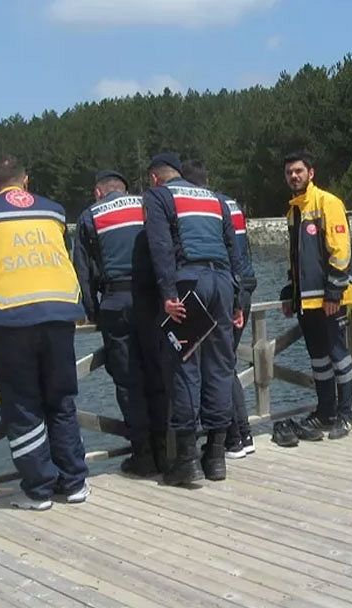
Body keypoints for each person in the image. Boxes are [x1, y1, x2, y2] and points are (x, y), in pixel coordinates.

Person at [0, 155, 88, 510]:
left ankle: (39, 490)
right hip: (59, 315)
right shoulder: (54, 211)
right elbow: (63, 258)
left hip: (8, 320)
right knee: (61, 401)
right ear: (26, 180)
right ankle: (74, 483)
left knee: (22, 406)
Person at [142, 153, 244, 485]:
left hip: (189, 283)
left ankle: (187, 460)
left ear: (155, 178)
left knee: (184, 366)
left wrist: (168, 293)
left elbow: (160, 246)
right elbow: (233, 249)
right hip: (222, 284)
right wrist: (238, 300)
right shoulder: (215, 199)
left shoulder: (158, 196)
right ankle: (215, 456)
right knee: (220, 366)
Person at [71, 169, 160, 477]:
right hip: (153, 301)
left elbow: (82, 270)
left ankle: (143, 455)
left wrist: (92, 310)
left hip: (117, 302)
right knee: (159, 373)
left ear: (98, 192)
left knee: (128, 380)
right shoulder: (147, 204)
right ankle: (168, 449)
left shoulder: (90, 216)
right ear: (125, 189)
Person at [279, 150, 352, 441]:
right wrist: (289, 291)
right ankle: (325, 412)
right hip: (307, 300)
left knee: (338, 355)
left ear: (311, 173)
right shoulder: (293, 211)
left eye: (298, 171)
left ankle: (346, 414)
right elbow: (296, 257)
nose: (294, 176)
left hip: (332, 298)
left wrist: (334, 292)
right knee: (318, 357)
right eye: (289, 172)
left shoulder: (328, 202)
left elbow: (341, 251)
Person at [183, 159, 258, 459]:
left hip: (222, 288)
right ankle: (240, 435)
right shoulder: (228, 203)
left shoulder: (197, 206)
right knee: (225, 364)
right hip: (241, 287)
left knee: (219, 367)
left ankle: (235, 436)